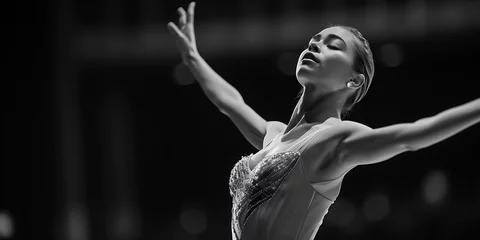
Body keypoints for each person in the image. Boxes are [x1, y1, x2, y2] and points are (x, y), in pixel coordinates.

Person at [167, 2, 480, 240]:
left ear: (353, 82)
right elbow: (230, 102)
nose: (315, 45)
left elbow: (411, 136)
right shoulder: (274, 135)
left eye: (334, 45)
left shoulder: (335, 139)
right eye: (315, 40)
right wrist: (193, 57)